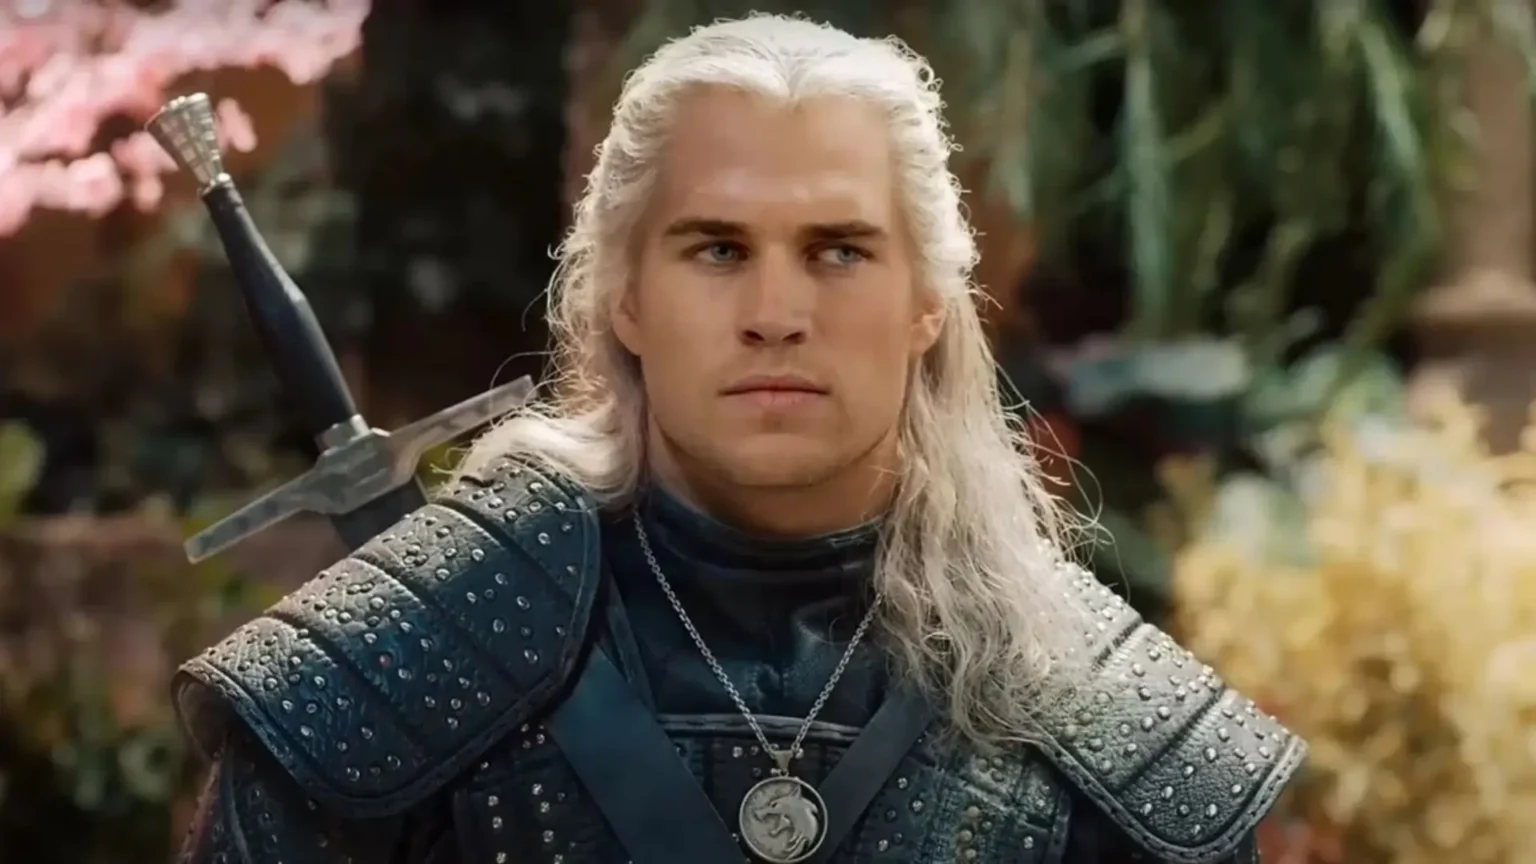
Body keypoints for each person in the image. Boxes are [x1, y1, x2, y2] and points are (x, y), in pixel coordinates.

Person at [173, 13, 1305, 864]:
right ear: (625, 296)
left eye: (838, 250)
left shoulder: (1100, 718)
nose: (775, 312)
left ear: (929, 302)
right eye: (717, 249)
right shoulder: (394, 667)